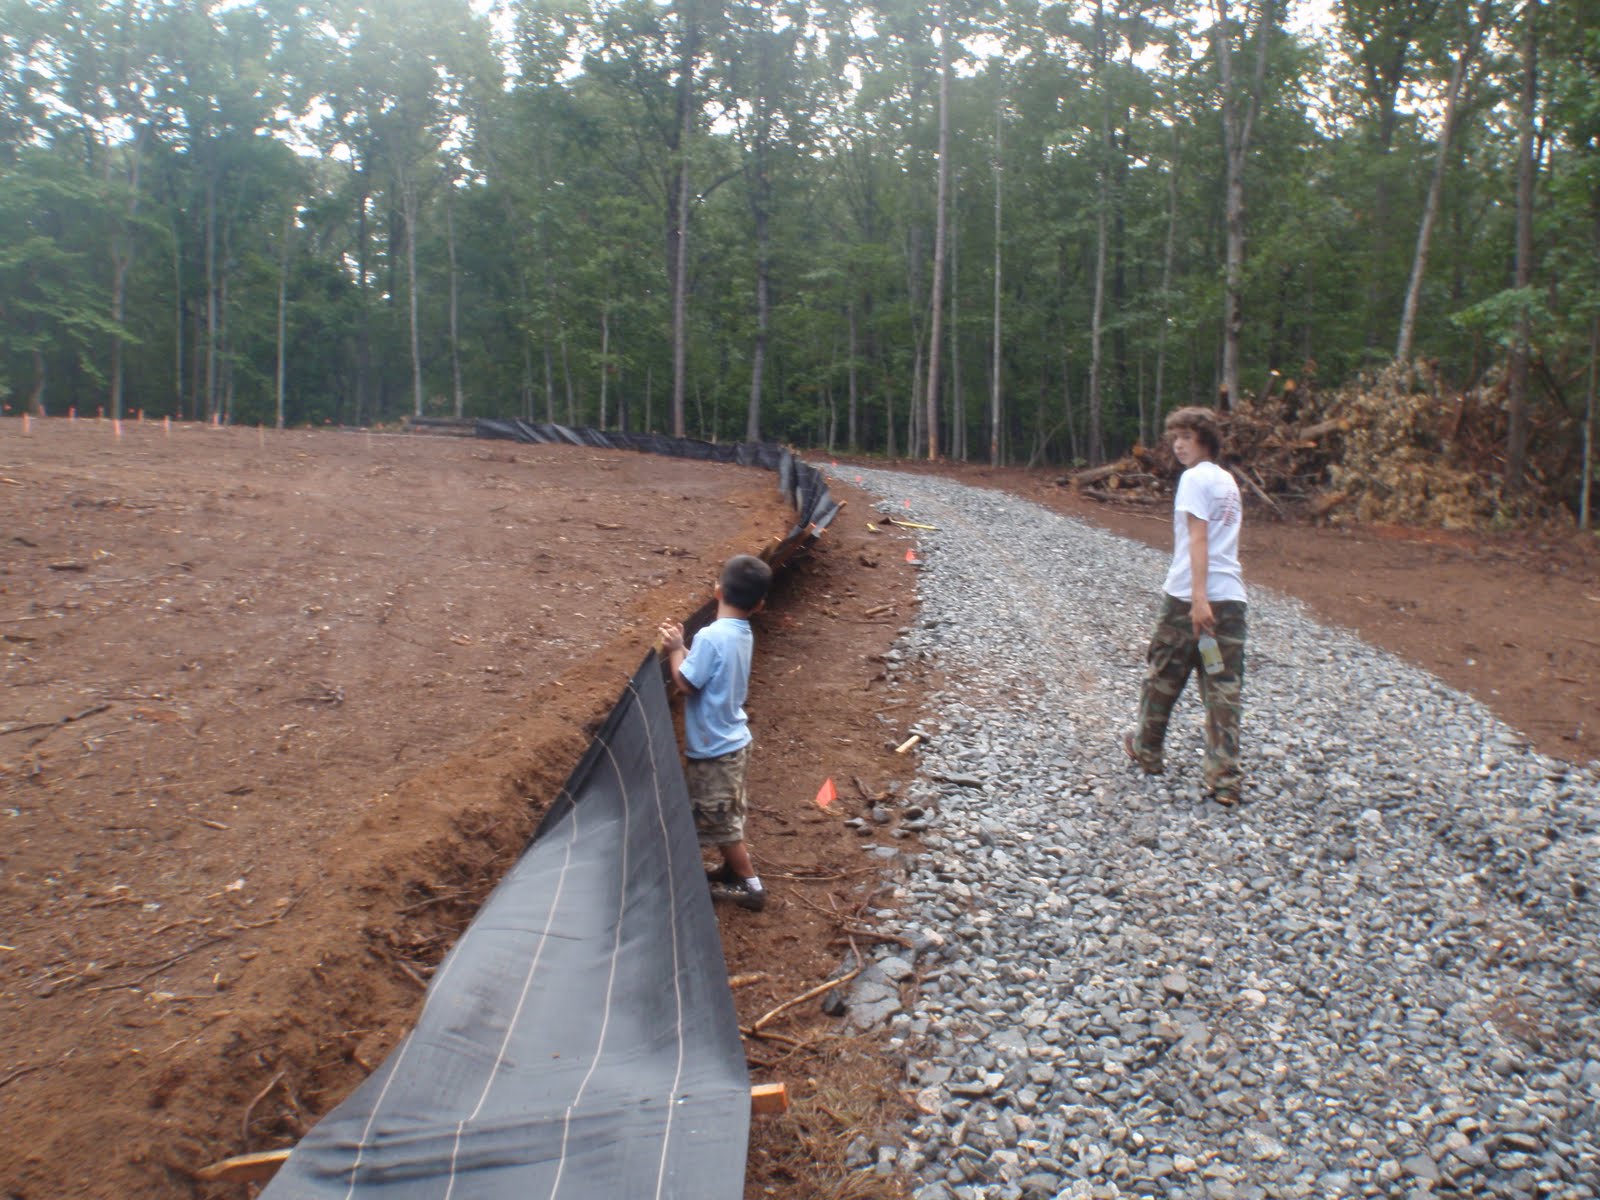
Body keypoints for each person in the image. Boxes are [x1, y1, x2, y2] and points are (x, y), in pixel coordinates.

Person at [1123, 406, 1248, 806]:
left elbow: (1198, 539)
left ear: (1205, 440)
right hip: (1232, 597)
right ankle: (1224, 778)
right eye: (1174, 437)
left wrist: (1197, 600)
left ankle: (1147, 749)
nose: (1177, 445)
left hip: (1188, 598)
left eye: (1186, 438)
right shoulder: (1228, 482)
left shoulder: (1194, 479)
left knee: (1163, 675)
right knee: (1223, 688)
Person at [658, 553, 774, 911]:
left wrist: (676, 649)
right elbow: (708, 669)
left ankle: (750, 886)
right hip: (733, 742)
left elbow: (687, 683)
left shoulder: (711, 636)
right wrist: (688, 652)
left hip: (714, 750)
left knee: (721, 821)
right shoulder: (741, 633)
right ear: (759, 605)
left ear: (717, 590)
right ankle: (729, 870)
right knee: (727, 812)